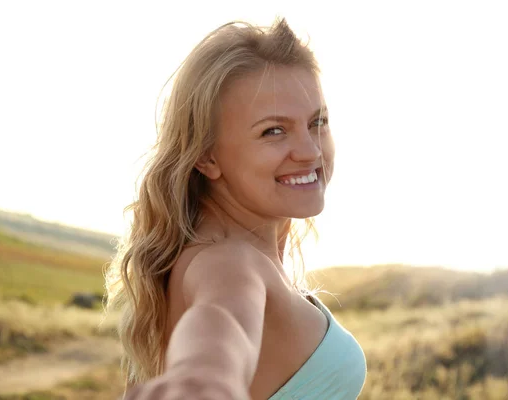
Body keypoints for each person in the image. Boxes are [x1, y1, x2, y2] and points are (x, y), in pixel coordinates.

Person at [105, 18, 367, 400]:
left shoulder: (208, 252)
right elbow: (222, 323)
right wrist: (205, 377)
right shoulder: (229, 262)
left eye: (318, 122)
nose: (310, 151)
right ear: (207, 156)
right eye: (273, 130)